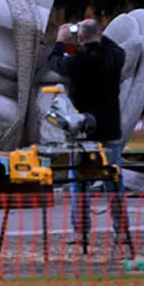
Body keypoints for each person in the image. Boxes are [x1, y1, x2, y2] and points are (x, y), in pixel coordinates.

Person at [47, 18, 128, 245]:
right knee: (114, 180)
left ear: (80, 38)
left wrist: (61, 41)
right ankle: (122, 231)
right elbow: (113, 47)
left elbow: (54, 62)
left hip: (83, 131)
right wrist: (94, 33)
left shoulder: (78, 62)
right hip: (109, 127)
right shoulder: (115, 56)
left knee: (79, 181)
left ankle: (81, 232)